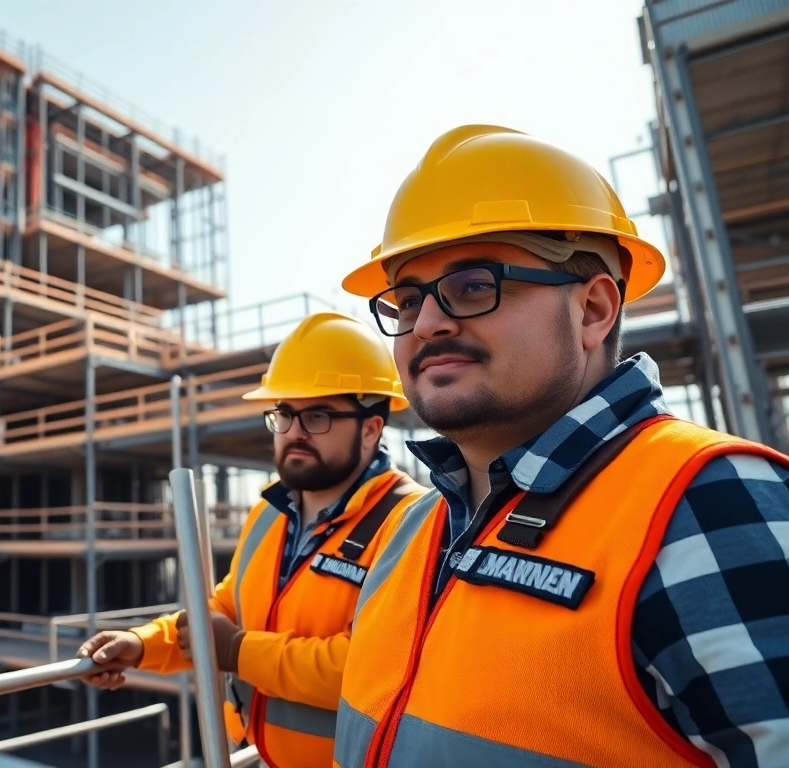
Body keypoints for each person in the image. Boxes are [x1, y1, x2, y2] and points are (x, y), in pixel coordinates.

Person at [331, 125, 789, 768]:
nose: (427, 322)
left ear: (594, 310)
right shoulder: (413, 528)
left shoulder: (705, 502)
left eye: (472, 285)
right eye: (407, 300)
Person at [77, 312, 427, 768]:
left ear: (371, 428)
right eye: (283, 414)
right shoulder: (268, 514)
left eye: (317, 415)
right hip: (258, 756)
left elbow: (370, 668)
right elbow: (226, 609)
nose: (294, 432)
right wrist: (142, 644)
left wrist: (238, 651)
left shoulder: (412, 520)